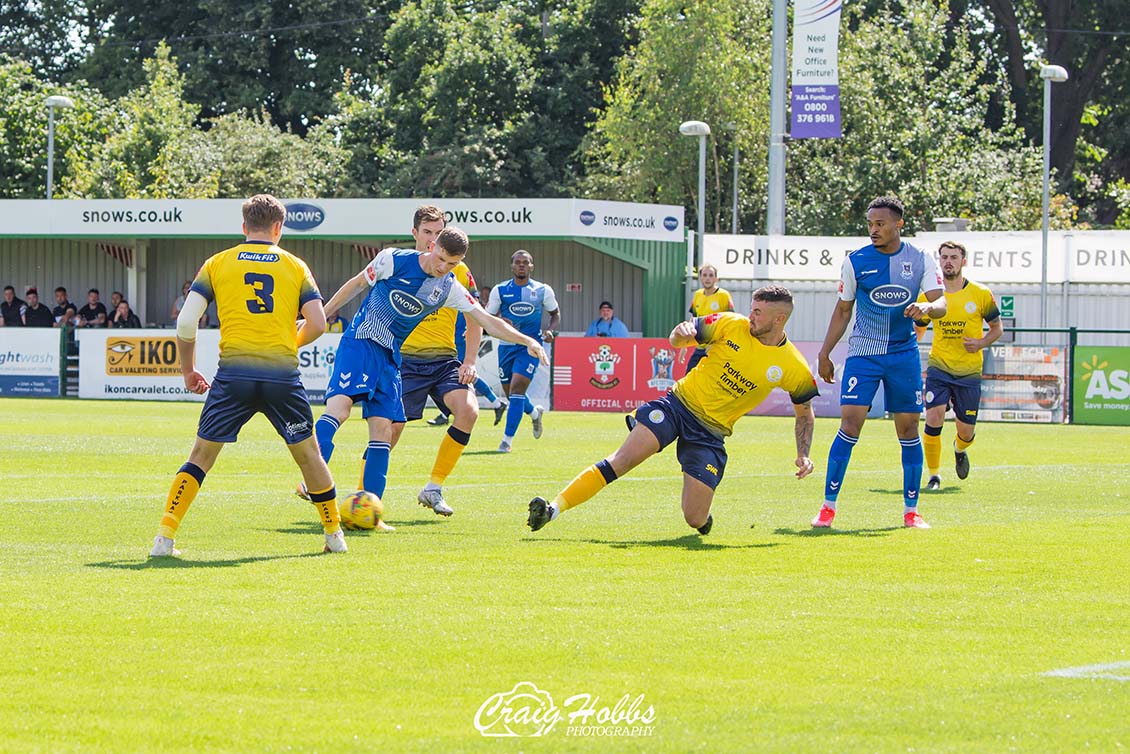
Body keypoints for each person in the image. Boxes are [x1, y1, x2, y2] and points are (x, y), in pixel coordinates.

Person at [527, 285, 818, 534]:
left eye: (758, 313)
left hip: (711, 433)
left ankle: (703, 518)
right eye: (752, 309)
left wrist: (803, 454)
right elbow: (678, 339)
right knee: (623, 459)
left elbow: (804, 414)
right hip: (677, 406)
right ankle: (552, 509)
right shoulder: (730, 323)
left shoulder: (794, 366)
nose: (750, 316)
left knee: (694, 517)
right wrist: (679, 334)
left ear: (779, 318)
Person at [149, 193, 347, 557]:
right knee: (309, 457)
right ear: (278, 228)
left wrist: (188, 370)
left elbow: (186, 321)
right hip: (282, 377)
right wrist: (288, 342)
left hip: (232, 378)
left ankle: (164, 538)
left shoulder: (217, 263)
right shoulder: (295, 266)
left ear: (244, 228)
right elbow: (319, 322)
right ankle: (334, 535)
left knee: (201, 455)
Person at [304, 226, 548, 512]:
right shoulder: (392, 260)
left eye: (452, 264)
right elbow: (357, 284)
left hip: (392, 356)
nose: (444, 267)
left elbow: (485, 320)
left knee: (383, 430)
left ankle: (370, 509)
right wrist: (318, 320)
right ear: (432, 246)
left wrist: (527, 340)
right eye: (441, 258)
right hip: (362, 341)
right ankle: (312, 481)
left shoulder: (449, 288)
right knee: (340, 410)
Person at [812, 196, 946, 530]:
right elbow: (843, 310)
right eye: (870, 224)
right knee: (850, 424)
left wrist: (927, 309)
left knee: (908, 429)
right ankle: (827, 508)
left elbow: (941, 302)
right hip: (864, 353)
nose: (873, 229)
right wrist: (825, 352)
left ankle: (911, 511)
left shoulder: (920, 259)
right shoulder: (856, 261)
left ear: (898, 224)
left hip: (903, 355)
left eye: (880, 224)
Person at [915, 241, 1003, 490]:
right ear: (939, 261)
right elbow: (918, 331)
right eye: (944, 257)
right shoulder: (929, 297)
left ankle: (959, 449)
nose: (948, 262)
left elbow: (998, 328)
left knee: (966, 432)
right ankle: (933, 476)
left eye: (954, 257)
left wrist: (981, 342)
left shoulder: (980, 294)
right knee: (933, 417)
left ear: (964, 261)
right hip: (939, 367)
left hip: (969, 372)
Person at [486, 250, 560, 453]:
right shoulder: (500, 290)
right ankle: (535, 413)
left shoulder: (542, 290)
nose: (521, 266)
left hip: (530, 346)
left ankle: (506, 441)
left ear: (531, 266)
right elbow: (487, 317)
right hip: (506, 346)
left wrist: (551, 331)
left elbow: (555, 314)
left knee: (518, 389)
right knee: (511, 393)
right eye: (518, 262)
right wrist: (501, 321)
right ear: (512, 266)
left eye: (525, 263)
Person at [685, 264, 735, 373]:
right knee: (688, 378)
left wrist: (716, 344)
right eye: (705, 275)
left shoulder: (724, 295)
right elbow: (693, 319)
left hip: (716, 349)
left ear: (716, 278)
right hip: (700, 347)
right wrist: (685, 342)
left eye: (711, 275)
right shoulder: (698, 295)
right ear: (700, 278)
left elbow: (731, 322)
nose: (708, 278)